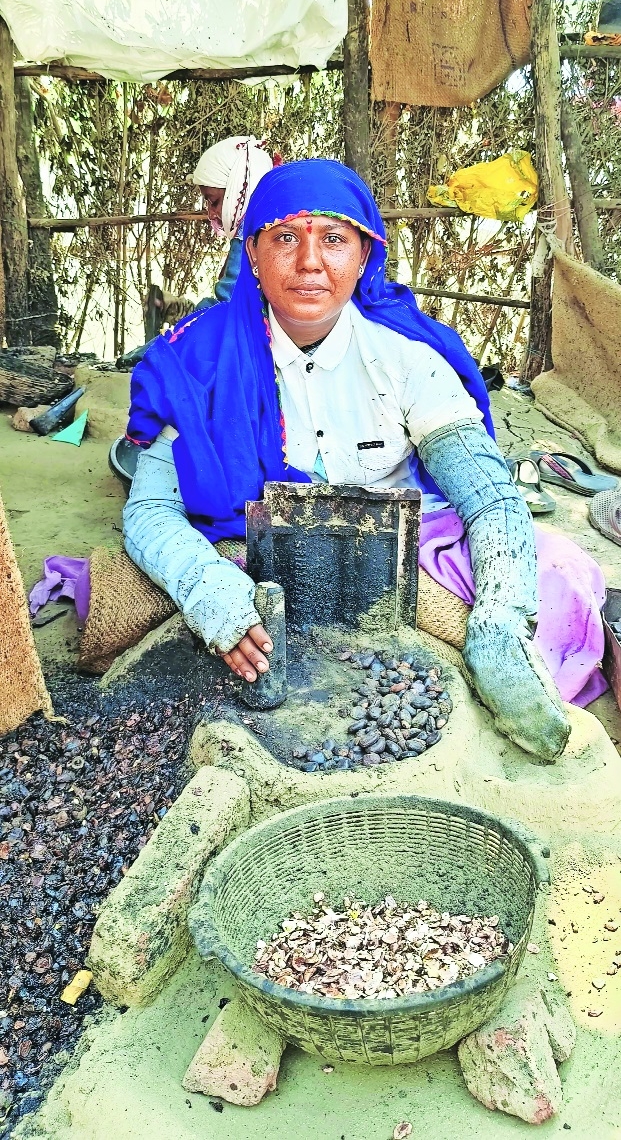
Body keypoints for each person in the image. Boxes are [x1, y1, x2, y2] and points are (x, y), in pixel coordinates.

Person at [123, 159, 607, 763]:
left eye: (332, 239)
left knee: (561, 572)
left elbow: (488, 495)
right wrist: (207, 588)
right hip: (255, 543)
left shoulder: (405, 355)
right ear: (251, 253)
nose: (308, 262)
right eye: (284, 238)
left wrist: (499, 626)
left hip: (405, 533)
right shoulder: (196, 358)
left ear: (364, 254)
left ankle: (510, 677)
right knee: (163, 607)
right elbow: (149, 511)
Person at [189, 135, 274, 304]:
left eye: (213, 202)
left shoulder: (247, 234)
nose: (211, 214)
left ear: (238, 192)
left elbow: (230, 302)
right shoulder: (274, 220)